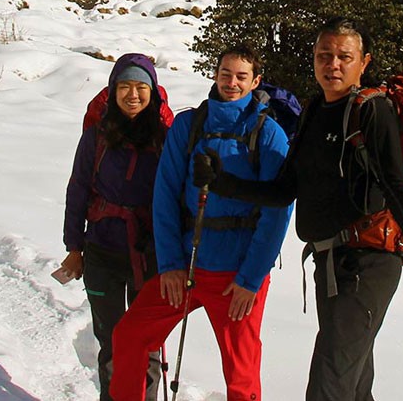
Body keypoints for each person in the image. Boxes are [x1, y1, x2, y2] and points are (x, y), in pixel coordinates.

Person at [200, 17, 403, 400]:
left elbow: (395, 183)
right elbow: (284, 189)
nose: (332, 64)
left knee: (329, 384)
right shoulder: (313, 110)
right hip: (330, 263)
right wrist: (221, 182)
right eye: (324, 55)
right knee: (352, 386)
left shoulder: (373, 110)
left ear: (363, 62)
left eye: (344, 56)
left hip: (368, 263)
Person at [109, 46, 292, 401]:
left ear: (255, 81)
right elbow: (164, 194)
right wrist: (171, 265)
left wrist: (250, 280)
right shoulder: (188, 125)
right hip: (187, 267)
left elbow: (277, 213)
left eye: (241, 77)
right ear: (215, 74)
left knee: (241, 372)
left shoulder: (269, 134)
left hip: (236, 277)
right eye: (226, 74)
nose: (232, 83)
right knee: (129, 336)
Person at [59, 54, 172, 400]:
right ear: (112, 90)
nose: (133, 95)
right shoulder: (96, 137)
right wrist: (74, 247)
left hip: (150, 253)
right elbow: (78, 189)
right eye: (125, 87)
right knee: (110, 340)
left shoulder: (166, 138)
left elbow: (176, 195)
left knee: (147, 343)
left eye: (141, 87)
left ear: (153, 92)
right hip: (102, 251)